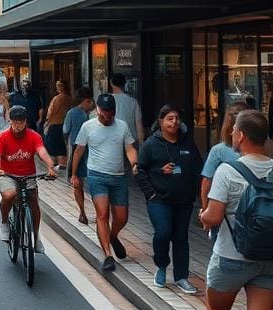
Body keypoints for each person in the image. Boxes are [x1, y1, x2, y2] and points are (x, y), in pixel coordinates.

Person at [199, 110, 273, 310]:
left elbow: (214, 217)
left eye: (234, 132)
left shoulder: (228, 171)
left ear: (241, 135)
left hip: (231, 257)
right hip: (269, 258)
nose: (232, 135)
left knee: (217, 307)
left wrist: (204, 215)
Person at [136, 105, 202, 294]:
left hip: (184, 201)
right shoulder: (151, 144)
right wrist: (152, 192)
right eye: (170, 119)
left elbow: (199, 169)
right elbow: (140, 172)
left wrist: (196, 193)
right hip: (159, 200)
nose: (174, 122)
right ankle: (162, 265)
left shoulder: (188, 144)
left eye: (176, 119)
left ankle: (182, 277)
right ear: (161, 122)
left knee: (181, 238)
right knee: (163, 233)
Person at [70, 93, 138, 272]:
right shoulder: (88, 127)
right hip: (97, 176)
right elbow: (78, 151)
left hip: (118, 177)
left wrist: (134, 163)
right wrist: (74, 174)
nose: (107, 115)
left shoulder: (122, 126)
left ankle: (113, 236)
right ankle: (108, 255)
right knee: (102, 214)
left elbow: (130, 148)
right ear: (98, 109)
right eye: (104, 111)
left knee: (122, 217)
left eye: (111, 111)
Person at [0, 106, 57, 251]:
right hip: (6, 174)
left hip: (28, 174)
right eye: (14, 122)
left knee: (33, 200)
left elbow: (41, 151)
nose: (17, 125)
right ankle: (4, 224)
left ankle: (35, 236)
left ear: (25, 122)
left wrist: (50, 166)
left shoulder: (33, 136)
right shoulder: (2, 137)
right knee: (9, 195)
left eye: (20, 122)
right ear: (10, 121)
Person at [202, 102, 249, 214]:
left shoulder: (219, 150)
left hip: (227, 211)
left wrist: (205, 210)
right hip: (252, 210)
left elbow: (206, 182)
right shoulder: (263, 149)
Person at [63, 87, 95, 224]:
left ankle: (82, 213)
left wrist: (67, 143)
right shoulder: (93, 115)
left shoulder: (71, 113)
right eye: (89, 101)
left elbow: (65, 129)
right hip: (92, 148)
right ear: (84, 101)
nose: (91, 104)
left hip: (76, 147)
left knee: (77, 182)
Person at [43, 80, 74, 169]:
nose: (57, 87)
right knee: (61, 145)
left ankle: (54, 165)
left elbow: (51, 112)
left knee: (52, 146)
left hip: (54, 123)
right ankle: (62, 164)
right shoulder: (69, 98)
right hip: (63, 124)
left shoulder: (57, 98)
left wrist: (46, 122)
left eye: (59, 85)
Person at [110, 72, 145, 145]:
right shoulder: (133, 102)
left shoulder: (108, 100)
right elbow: (138, 124)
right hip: (130, 141)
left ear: (111, 84)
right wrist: (141, 143)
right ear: (125, 84)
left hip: (112, 141)